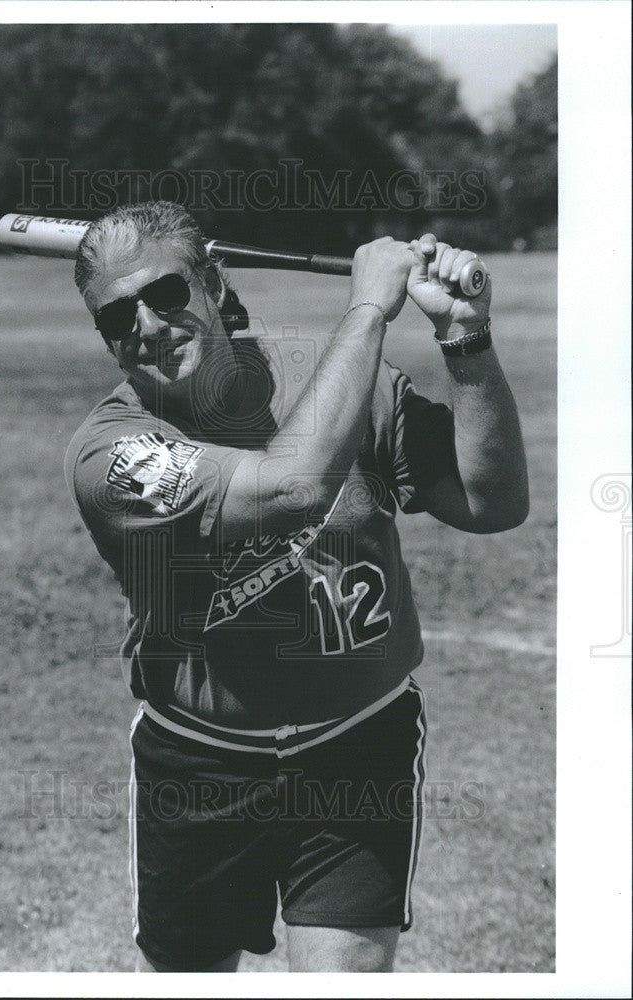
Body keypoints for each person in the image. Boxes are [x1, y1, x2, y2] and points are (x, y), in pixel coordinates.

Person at [65, 201, 528, 973]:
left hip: (360, 749)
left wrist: (465, 338)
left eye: (167, 295)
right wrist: (370, 306)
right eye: (115, 317)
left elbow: (492, 502)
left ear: (215, 284)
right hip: (202, 765)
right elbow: (292, 488)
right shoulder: (114, 454)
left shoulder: (341, 378)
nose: (144, 325)